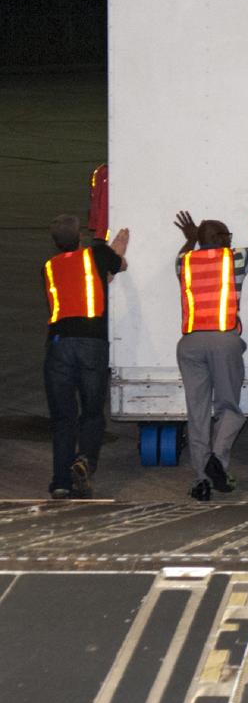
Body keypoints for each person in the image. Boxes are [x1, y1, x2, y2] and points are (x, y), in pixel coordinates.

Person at [174, 204, 248, 501]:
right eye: (227, 235)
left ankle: (201, 479)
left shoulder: (184, 261)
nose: (231, 239)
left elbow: (185, 253)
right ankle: (216, 461)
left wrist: (190, 238)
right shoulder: (233, 258)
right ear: (220, 238)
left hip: (190, 343)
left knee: (197, 412)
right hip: (224, 341)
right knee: (229, 408)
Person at [42, 213, 130, 499]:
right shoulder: (96, 254)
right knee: (92, 413)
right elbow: (119, 266)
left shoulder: (50, 266)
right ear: (80, 238)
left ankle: (60, 482)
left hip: (59, 343)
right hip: (91, 342)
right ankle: (85, 461)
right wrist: (117, 247)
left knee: (63, 417)